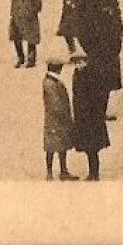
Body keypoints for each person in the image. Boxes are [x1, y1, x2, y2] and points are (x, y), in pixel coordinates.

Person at [70, 53, 111, 181]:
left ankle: (94, 173)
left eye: (80, 62)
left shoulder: (89, 74)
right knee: (90, 148)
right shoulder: (79, 73)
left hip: (91, 117)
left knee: (92, 148)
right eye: (76, 62)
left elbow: (97, 95)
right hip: (85, 117)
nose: (78, 64)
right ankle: (93, 173)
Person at [42, 53, 77, 181]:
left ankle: (60, 170)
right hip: (56, 119)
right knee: (54, 146)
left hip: (54, 120)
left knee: (59, 146)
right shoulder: (51, 83)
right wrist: (64, 115)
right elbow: (55, 103)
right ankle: (54, 172)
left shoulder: (50, 81)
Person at [10, 0, 43, 68]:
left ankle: (31, 59)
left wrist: (31, 13)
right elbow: (14, 2)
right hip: (17, 18)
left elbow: (38, 4)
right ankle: (21, 57)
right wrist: (13, 13)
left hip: (29, 19)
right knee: (16, 38)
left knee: (31, 39)